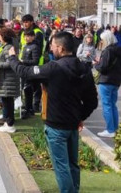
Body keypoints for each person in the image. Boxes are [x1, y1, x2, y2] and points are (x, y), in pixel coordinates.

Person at [8, 32, 98, 193]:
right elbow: (92, 101)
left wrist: (12, 57)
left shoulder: (53, 68)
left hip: (56, 125)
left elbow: (25, 72)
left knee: (62, 166)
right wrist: (79, 117)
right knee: (72, 164)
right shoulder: (84, 68)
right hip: (72, 125)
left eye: (53, 46)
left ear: (61, 48)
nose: (51, 48)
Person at [93, 30, 121, 138]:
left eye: (102, 39)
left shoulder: (108, 51)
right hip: (116, 80)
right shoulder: (118, 50)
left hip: (106, 80)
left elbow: (103, 67)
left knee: (107, 106)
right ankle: (114, 129)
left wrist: (96, 65)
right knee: (112, 105)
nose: (101, 41)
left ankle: (110, 129)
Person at [0, 28, 20, 133]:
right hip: (5, 79)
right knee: (6, 101)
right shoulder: (6, 47)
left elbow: (10, 63)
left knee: (8, 102)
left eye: (0, 36)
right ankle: (8, 122)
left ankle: (10, 124)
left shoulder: (8, 47)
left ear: (4, 37)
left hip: (8, 80)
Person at [19, 14, 46, 118]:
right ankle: (29, 106)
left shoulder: (37, 32)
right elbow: (22, 47)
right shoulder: (23, 33)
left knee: (35, 87)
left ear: (31, 22)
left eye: (26, 22)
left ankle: (34, 106)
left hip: (36, 63)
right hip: (25, 63)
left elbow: (37, 50)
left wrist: (27, 61)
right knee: (28, 87)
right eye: (23, 22)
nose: (25, 24)